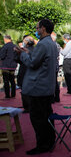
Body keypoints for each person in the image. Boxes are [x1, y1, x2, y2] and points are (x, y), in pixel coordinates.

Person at [15, 19, 57, 155]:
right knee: (47, 115)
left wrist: (22, 54)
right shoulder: (51, 43)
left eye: (37, 28)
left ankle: (43, 145)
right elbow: (40, 59)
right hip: (46, 87)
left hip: (38, 88)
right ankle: (50, 141)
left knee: (38, 118)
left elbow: (33, 64)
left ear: (43, 29)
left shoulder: (43, 44)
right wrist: (28, 52)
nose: (36, 30)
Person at [15, 35, 35, 112]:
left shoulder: (26, 51)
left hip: (25, 71)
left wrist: (20, 53)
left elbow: (20, 60)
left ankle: (27, 107)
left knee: (25, 90)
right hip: (31, 73)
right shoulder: (36, 49)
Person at [51, 32, 61, 103]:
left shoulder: (53, 45)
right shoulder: (57, 45)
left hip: (52, 66)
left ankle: (53, 98)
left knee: (52, 83)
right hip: (56, 66)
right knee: (55, 82)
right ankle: (57, 97)